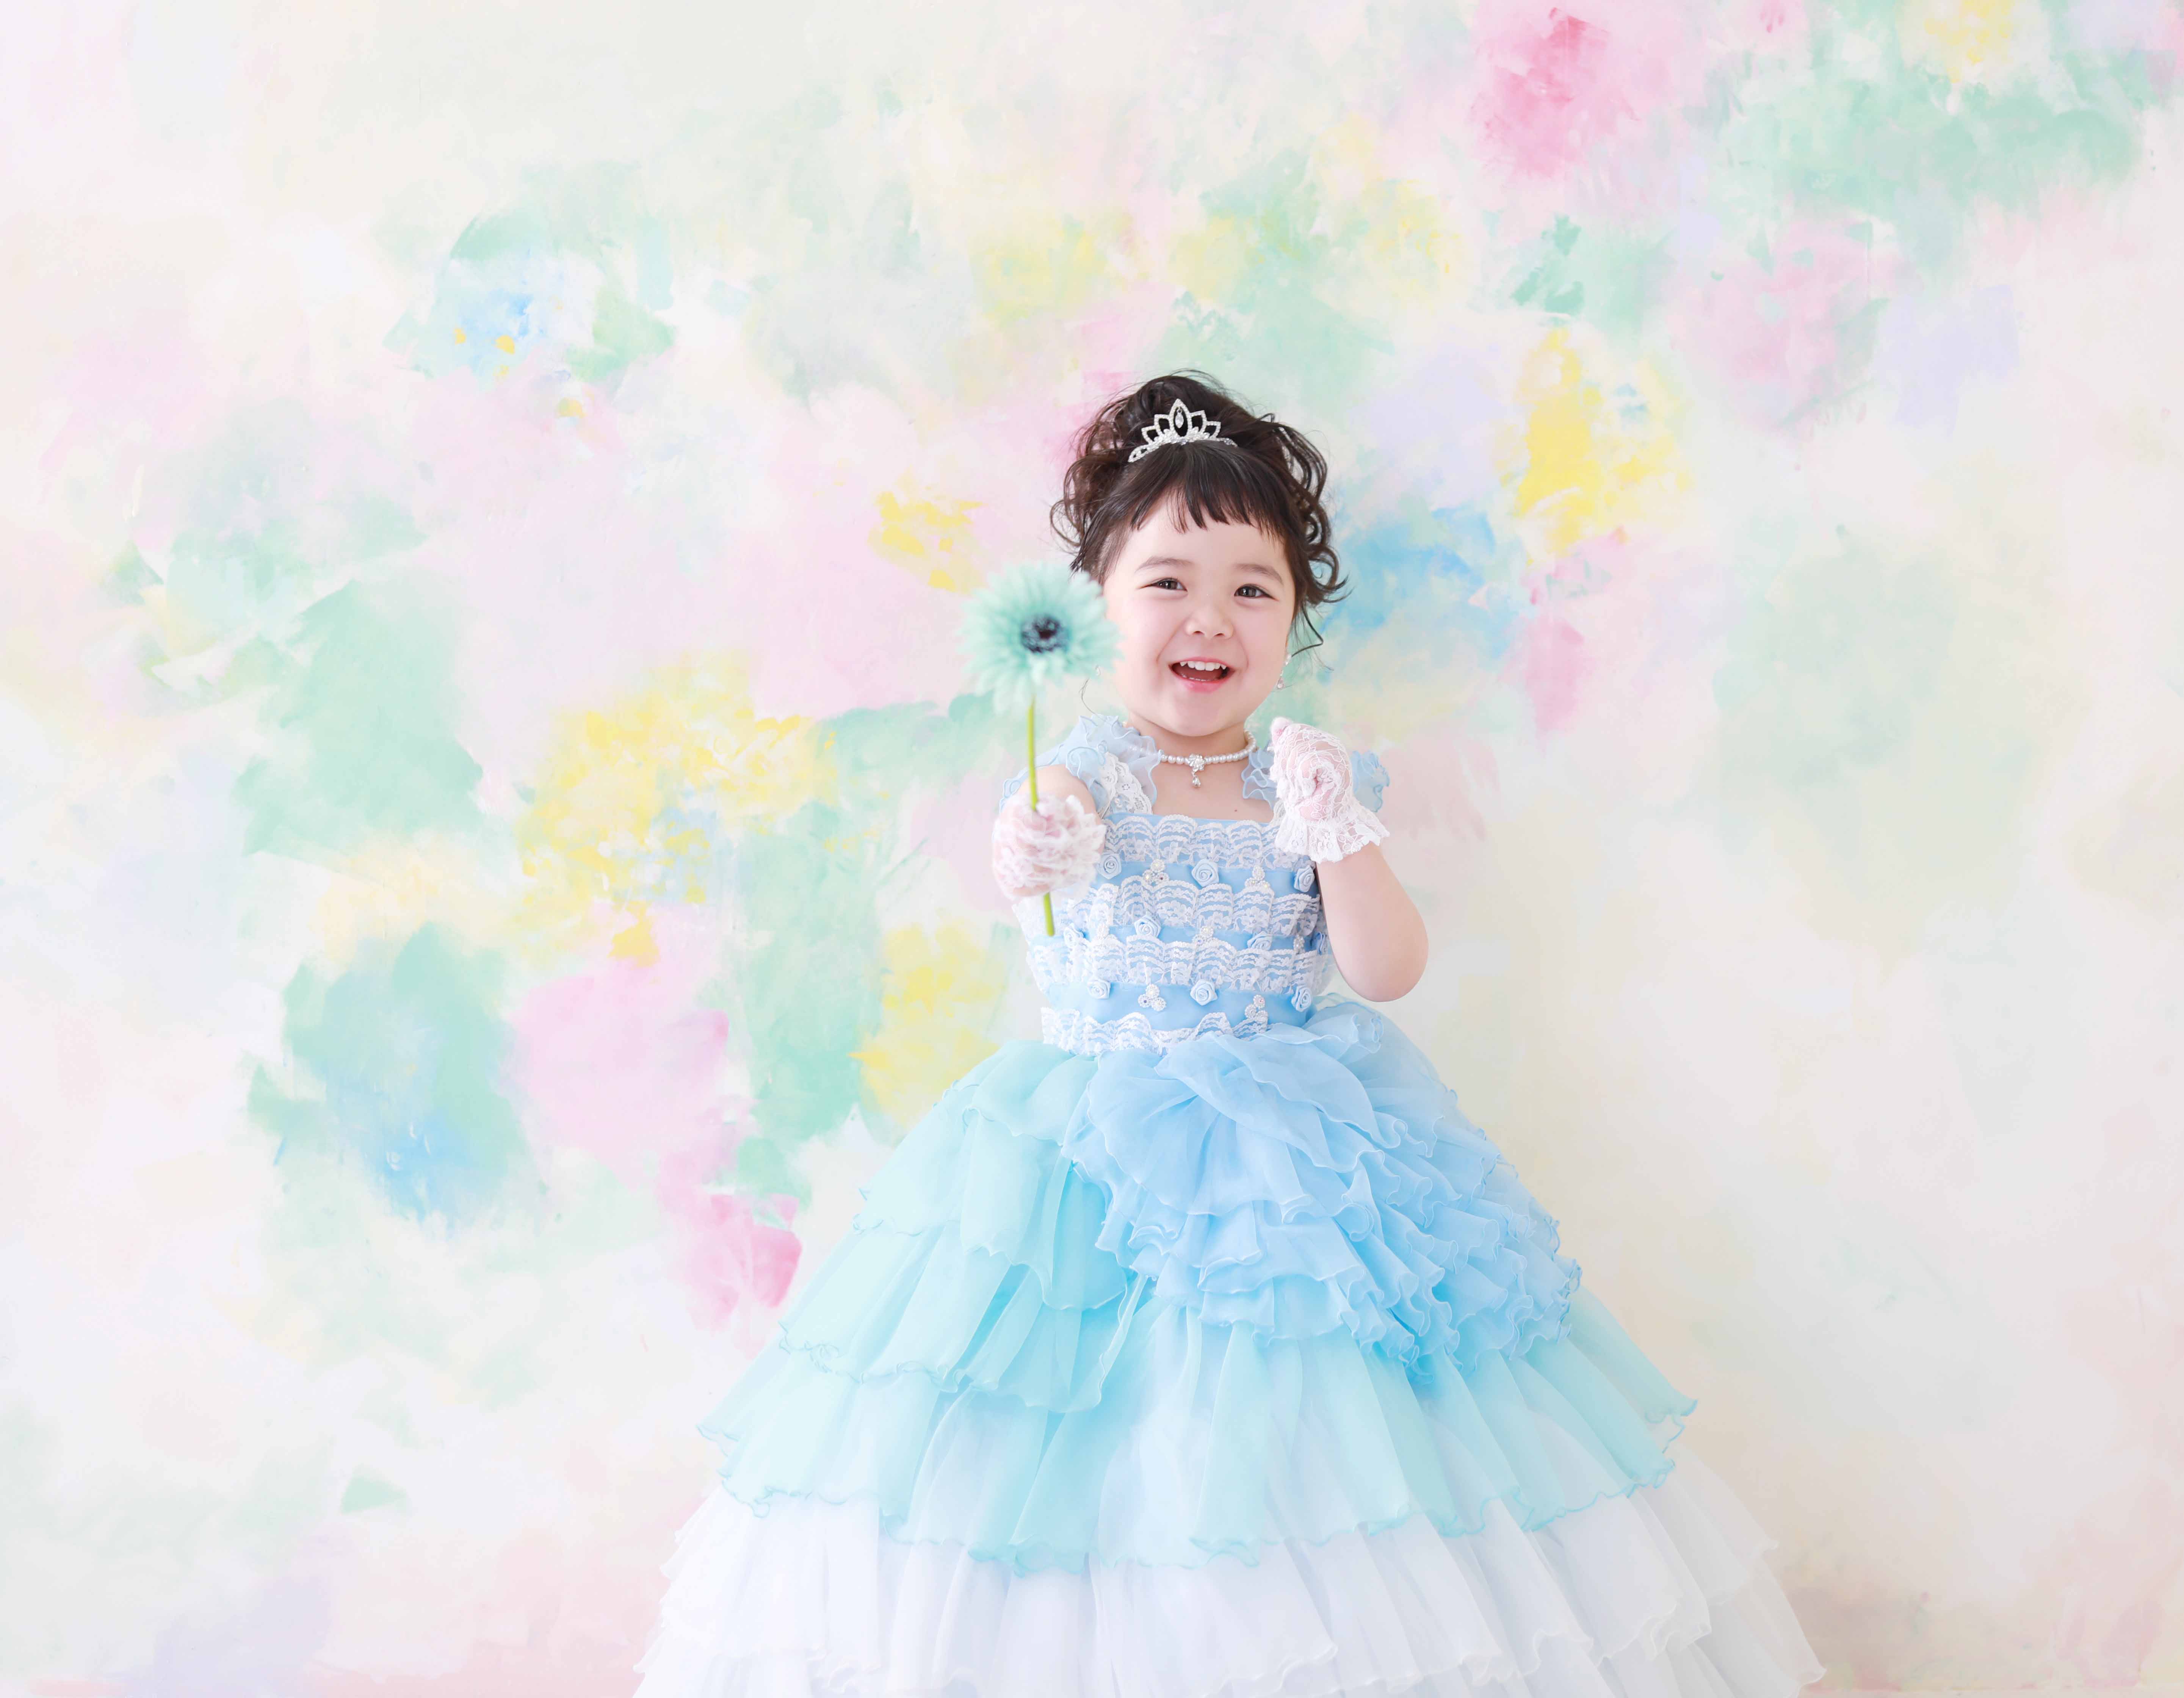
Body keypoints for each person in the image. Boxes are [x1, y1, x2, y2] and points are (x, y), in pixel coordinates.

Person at [633, 373, 1825, 1698]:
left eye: (1254, 589)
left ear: (1294, 617)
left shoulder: (1307, 776)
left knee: (1321, 1446)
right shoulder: (1080, 772)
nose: (1211, 618)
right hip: (1091, 1177)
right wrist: (1032, 846)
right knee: (1097, 1453)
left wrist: (1336, 827)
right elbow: (1029, 856)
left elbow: (1387, 968)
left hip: (1304, 1175)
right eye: (1168, 583)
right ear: (1098, 600)